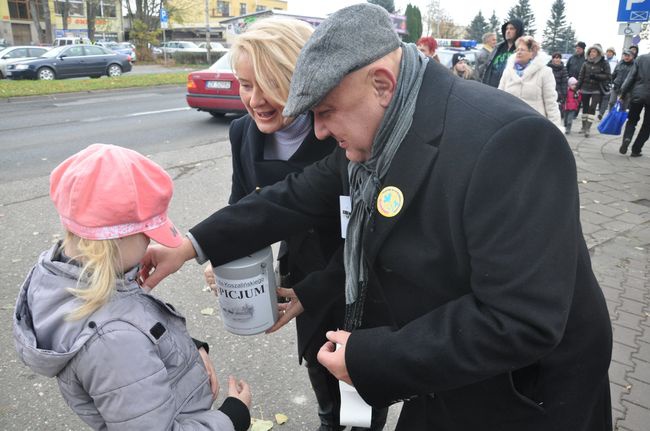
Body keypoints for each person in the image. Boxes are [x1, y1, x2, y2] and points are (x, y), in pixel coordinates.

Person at [140, 4, 613, 431]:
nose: (320, 131)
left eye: (326, 112)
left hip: (521, 394)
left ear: (382, 85)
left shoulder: (510, 141)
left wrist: (370, 356)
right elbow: (289, 198)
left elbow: (520, 319)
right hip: (449, 372)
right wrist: (188, 247)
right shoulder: (387, 131)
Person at [201, 18, 386, 431]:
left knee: (360, 376)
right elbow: (245, 204)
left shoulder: (339, 133)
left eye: (269, 83)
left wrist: (317, 288)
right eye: (244, 84)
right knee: (319, 363)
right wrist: (221, 253)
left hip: (360, 277)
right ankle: (327, 420)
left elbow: (371, 234)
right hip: (301, 272)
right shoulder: (243, 134)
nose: (255, 99)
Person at [13, 144, 252, 431]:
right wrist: (232, 418)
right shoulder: (113, 343)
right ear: (114, 243)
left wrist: (189, 349)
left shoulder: (69, 275)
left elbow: (139, 329)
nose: (152, 242)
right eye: (146, 234)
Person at [498, 36, 562, 130]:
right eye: (517, 50)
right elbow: (500, 97)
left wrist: (556, 128)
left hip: (534, 125)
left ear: (532, 53)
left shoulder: (545, 72)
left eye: (523, 50)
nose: (519, 52)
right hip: (510, 123)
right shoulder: (508, 71)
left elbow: (551, 102)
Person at [576, 44, 612, 137]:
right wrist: (577, 87)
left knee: (593, 107)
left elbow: (608, 76)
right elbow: (581, 76)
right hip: (585, 87)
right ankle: (583, 127)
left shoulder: (604, 63)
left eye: (594, 51)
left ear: (599, 53)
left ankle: (588, 128)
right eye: (591, 51)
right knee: (585, 107)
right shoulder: (585, 62)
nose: (592, 53)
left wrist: (597, 76)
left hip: (597, 88)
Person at [619, 51, 650, 157]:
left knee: (632, 120)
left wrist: (623, 93)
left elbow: (631, 77)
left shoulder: (640, 58)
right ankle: (636, 149)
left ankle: (627, 138)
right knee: (647, 125)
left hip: (637, 94)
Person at [482, 18, 524, 87]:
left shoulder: (523, 49)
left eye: (512, 29)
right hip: (491, 89)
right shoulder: (498, 48)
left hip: (510, 90)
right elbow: (487, 68)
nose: (508, 31)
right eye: (507, 29)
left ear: (518, 30)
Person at [547, 51, 568, 117]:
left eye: (559, 58)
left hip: (559, 90)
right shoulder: (547, 68)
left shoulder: (563, 69)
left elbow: (564, 82)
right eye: (555, 58)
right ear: (552, 59)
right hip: (549, 89)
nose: (557, 59)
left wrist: (564, 94)